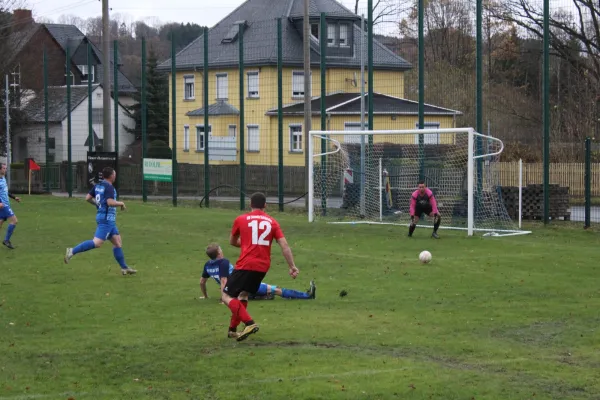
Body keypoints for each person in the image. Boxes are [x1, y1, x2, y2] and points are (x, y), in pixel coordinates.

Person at [222, 192, 299, 342]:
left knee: (226, 296)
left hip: (245, 264)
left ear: (250, 204)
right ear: (265, 205)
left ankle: (249, 323)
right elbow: (284, 245)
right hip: (262, 266)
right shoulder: (272, 222)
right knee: (243, 295)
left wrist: (246, 245)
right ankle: (232, 330)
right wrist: (292, 266)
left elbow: (232, 241)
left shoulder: (241, 219)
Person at [64, 167, 137, 276]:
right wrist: (121, 203)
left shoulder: (99, 185)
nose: (115, 176)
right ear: (111, 176)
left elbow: (88, 198)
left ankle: (124, 268)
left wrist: (98, 205)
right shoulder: (109, 187)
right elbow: (110, 202)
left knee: (117, 242)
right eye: (115, 174)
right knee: (97, 243)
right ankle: (72, 251)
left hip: (108, 219)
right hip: (106, 220)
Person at [199, 243, 315, 307]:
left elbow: (202, 282)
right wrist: (224, 298)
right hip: (243, 283)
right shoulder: (223, 262)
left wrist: (205, 295)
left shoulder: (208, 265)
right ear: (219, 253)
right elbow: (224, 280)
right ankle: (307, 296)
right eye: (221, 249)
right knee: (276, 290)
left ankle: (258, 296)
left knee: (259, 292)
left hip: (236, 287)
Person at [0, 163, 21, 249]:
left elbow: (5, 192)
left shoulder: (3, 178)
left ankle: (6, 240)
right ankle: (6, 240)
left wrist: (14, 197)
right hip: (3, 205)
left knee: (0, 223)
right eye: (4, 168)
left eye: (5, 168)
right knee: (14, 220)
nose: (5, 170)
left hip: (5, 204)